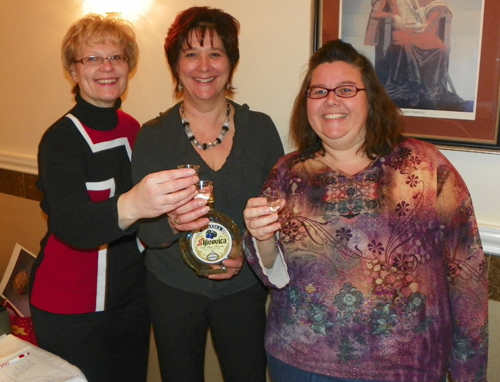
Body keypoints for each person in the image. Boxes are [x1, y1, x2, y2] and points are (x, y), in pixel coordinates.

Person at [242, 39, 488, 382]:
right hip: (301, 364)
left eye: (345, 89)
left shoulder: (427, 168)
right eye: (318, 91)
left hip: (406, 367)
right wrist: (261, 237)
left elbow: (468, 275)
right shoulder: (288, 174)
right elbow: (271, 272)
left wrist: (467, 371)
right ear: (306, 104)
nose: (331, 100)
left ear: (370, 98)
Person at [30, 14, 203, 382]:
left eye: (117, 57)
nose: (107, 67)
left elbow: (142, 223)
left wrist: (173, 216)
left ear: (129, 66)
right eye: (92, 58)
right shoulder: (61, 139)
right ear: (73, 71)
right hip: (71, 307)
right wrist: (135, 204)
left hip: (131, 299)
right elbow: (72, 225)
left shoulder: (133, 128)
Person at [131, 6, 284, 382]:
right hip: (172, 289)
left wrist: (245, 253)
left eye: (215, 53)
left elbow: (280, 215)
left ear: (230, 62)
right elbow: (146, 233)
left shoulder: (261, 129)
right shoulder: (153, 137)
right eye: (191, 54)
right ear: (175, 64)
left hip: (243, 287)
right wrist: (170, 221)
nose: (204, 66)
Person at [364, 0, 468, 111]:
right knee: (407, 47)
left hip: (416, 30)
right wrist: (394, 16)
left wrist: (424, 23)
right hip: (400, 30)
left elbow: (434, 5)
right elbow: (376, 13)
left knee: (440, 46)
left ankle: (429, 87)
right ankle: (414, 88)